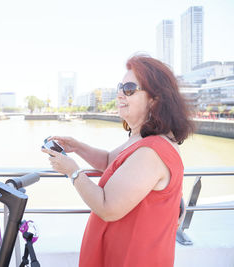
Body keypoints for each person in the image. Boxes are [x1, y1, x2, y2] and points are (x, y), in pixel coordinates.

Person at [41, 54, 194, 267]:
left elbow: (107, 207)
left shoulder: (152, 151)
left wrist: (73, 172)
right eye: (120, 87)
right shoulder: (141, 139)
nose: (120, 93)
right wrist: (77, 147)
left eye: (129, 88)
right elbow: (109, 161)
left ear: (155, 99)